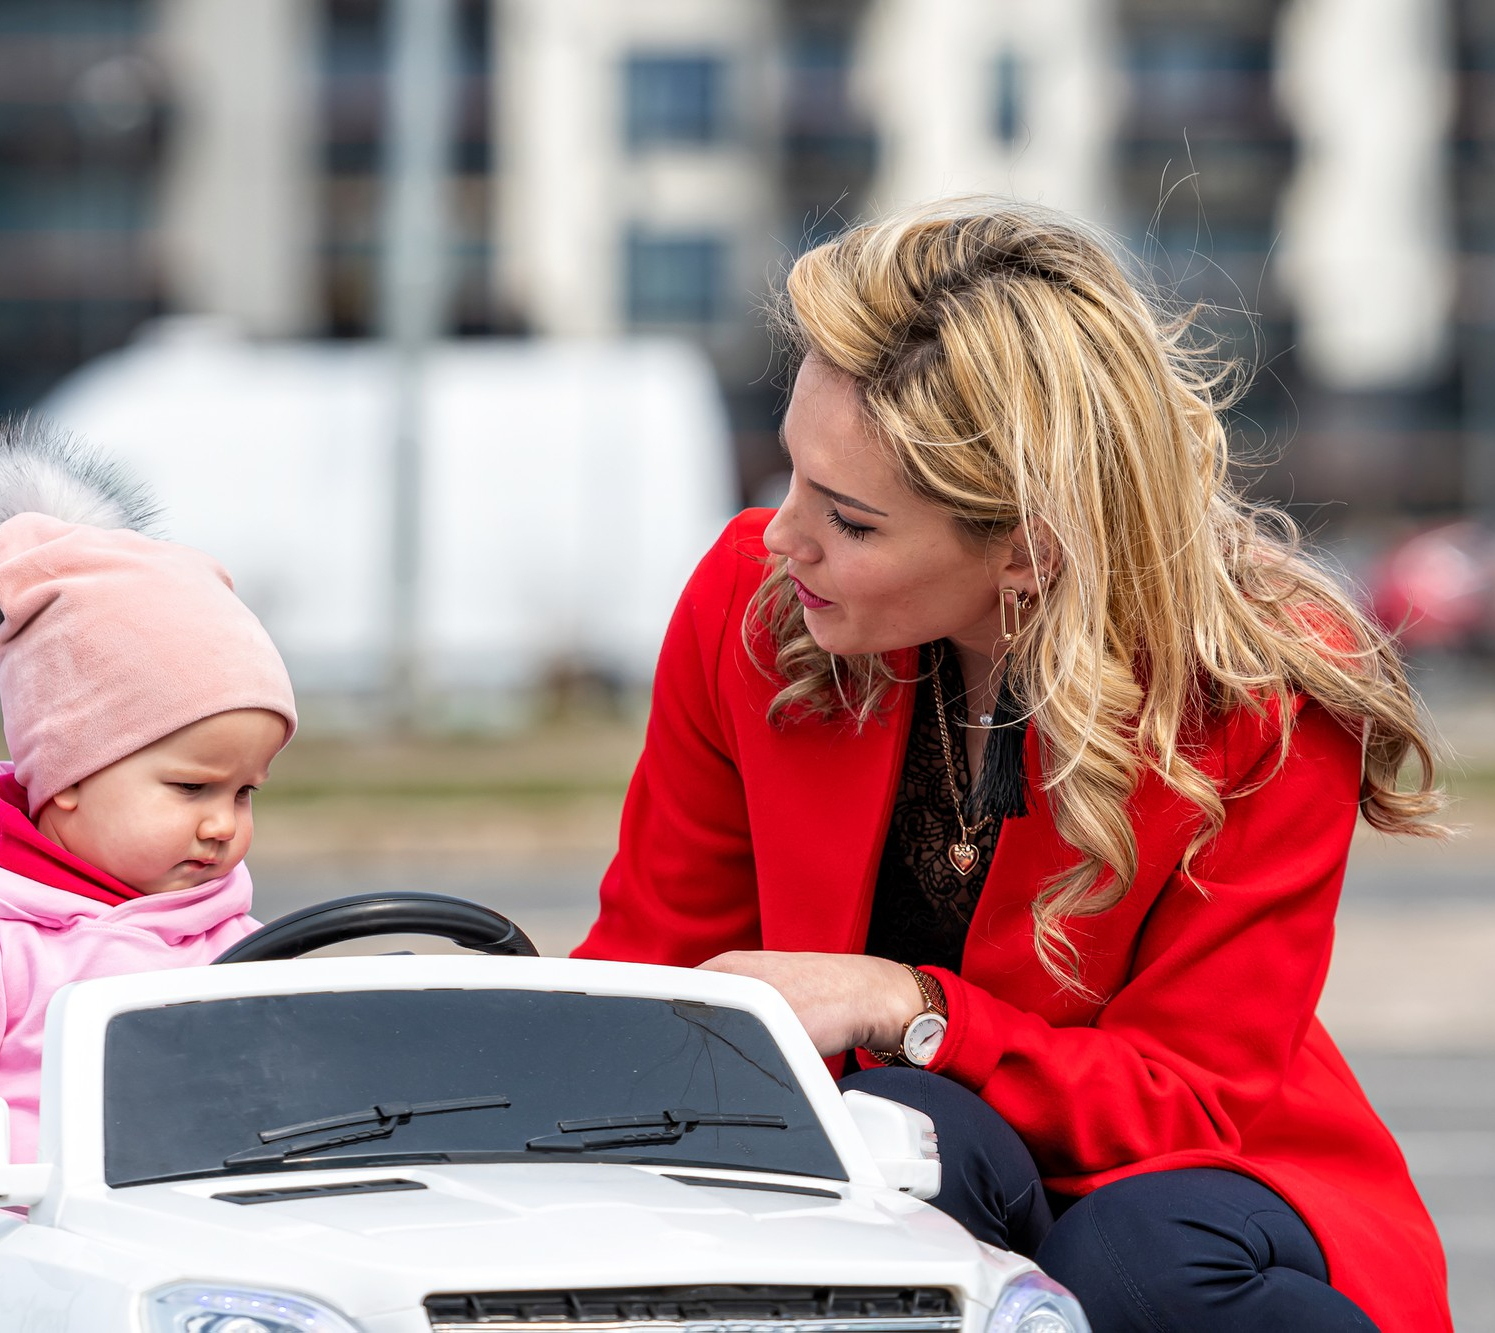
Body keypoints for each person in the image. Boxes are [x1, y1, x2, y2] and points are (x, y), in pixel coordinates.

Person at [575, 201, 1451, 1333]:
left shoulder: (1261, 688)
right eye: (786, 470)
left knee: (1120, 1258)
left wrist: (906, 1005)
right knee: (889, 1138)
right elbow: (655, 963)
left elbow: (1187, 1100)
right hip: (900, 1158)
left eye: (845, 518)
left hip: (1195, 1192)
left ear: (1032, 545)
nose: (780, 536)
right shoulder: (749, 605)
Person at [0, 422, 295, 1164]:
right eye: (191, 787)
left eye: (245, 792)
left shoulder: (239, 947)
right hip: (17, 1253)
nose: (223, 823)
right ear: (68, 780)